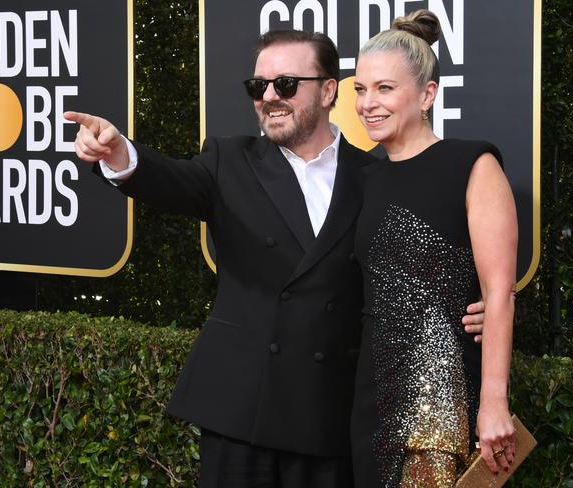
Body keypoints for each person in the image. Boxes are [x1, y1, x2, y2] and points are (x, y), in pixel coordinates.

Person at [65, 29, 485, 488]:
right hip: (242, 411)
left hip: (329, 414)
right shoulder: (229, 159)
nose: (268, 97)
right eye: (257, 86)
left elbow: (411, 271)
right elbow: (170, 181)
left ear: (328, 91)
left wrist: (474, 306)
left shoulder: (374, 176)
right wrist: (119, 154)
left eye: (285, 84)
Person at [350, 10, 518, 487]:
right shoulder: (362, 177)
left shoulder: (472, 164)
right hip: (370, 397)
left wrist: (494, 403)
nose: (367, 103)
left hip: (443, 400)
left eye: (384, 88)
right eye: (360, 89)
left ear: (427, 94)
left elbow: (500, 291)